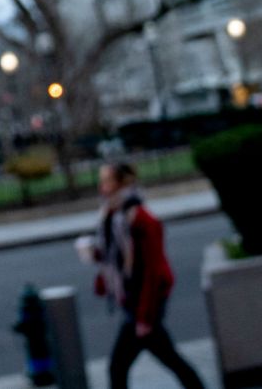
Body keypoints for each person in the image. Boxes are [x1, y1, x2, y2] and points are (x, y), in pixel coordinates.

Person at [92, 162, 205, 389]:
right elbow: (116, 257)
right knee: (167, 358)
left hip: (144, 303)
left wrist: (144, 316)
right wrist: (100, 266)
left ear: (122, 183)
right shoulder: (111, 215)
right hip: (134, 302)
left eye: (107, 181)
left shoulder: (142, 219)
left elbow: (153, 271)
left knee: (119, 367)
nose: (101, 187)